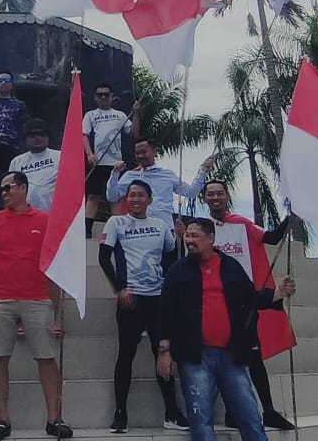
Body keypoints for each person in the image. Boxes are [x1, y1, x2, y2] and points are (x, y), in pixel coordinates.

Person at [156, 218, 296, 441]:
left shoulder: (230, 266)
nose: (189, 240)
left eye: (195, 236)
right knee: (200, 420)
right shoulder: (177, 271)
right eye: (187, 235)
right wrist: (164, 351)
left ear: (211, 239)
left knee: (250, 416)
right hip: (194, 357)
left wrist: (277, 293)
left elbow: (251, 297)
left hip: (232, 355)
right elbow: (165, 313)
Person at [0, 171, 71, 440]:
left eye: (8, 187)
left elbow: (54, 262)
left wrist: (55, 302)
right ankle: (2, 419)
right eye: (1, 188)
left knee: (46, 358)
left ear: (23, 188)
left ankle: (53, 418)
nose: (3, 193)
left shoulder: (44, 220)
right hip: (1, 298)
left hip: (37, 298)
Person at [201, 180, 298, 430]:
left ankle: (267, 409)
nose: (215, 198)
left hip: (244, 302)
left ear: (227, 196)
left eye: (219, 193)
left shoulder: (242, 224)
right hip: (213, 301)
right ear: (204, 199)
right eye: (210, 194)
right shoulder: (201, 229)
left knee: (253, 357)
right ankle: (233, 412)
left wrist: (291, 215)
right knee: (223, 357)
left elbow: (273, 238)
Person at [98, 182, 185, 433]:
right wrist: (119, 288)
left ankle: (172, 411)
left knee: (164, 353)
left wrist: (179, 237)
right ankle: (120, 414)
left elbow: (171, 258)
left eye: (140, 195)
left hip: (158, 300)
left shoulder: (160, 225)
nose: (135, 199)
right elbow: (103, 258)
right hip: (130, 299)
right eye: (131, 195)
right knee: (126, 355)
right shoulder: (117, 223)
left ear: (149, 199)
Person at [106, 140, 212, 224]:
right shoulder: (130, 176)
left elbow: (191, 192)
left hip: (165, 227)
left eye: (143, 152)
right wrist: (115, 173)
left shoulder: (168, 174)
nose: (140, 156)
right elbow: (112, 197)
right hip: (139, 229)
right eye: (137, 153)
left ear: (155, 152)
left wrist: (202, 171)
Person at [83, 83, 131, 237]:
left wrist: (136, 113)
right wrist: (90, 154)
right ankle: (87, 231)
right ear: (95, 97)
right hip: (98, 161)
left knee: (114, 198)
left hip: (115, 163)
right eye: (100, 94)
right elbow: (84, 135)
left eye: (106, 94)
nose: (103, 97)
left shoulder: (121, 115)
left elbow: (133, 132)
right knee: (93, 196)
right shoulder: (91, 115)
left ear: (112, 96)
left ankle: (116, 230)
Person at [9, 118, 59, 211]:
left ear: (48, 137)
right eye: (32, 135)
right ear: (25, 139)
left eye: (41, 134)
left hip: (54, 214)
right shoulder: (17, 161)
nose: (38, 138)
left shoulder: (60, 157)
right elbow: (11, 189)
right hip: (25, 214)